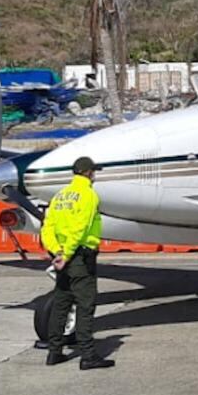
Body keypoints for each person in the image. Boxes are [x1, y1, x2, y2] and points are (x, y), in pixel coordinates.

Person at [41, 156, 114, 370]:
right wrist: (68, 254)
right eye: (94, 172)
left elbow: (47, 227)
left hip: (62, 257)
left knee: (61, 304)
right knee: (85, 305)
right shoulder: (88, 195)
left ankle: (54, 352)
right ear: (89, 173)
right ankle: (88, 355)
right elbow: (80, 228)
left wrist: (57, 251)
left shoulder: (60, 196)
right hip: (79, 257)